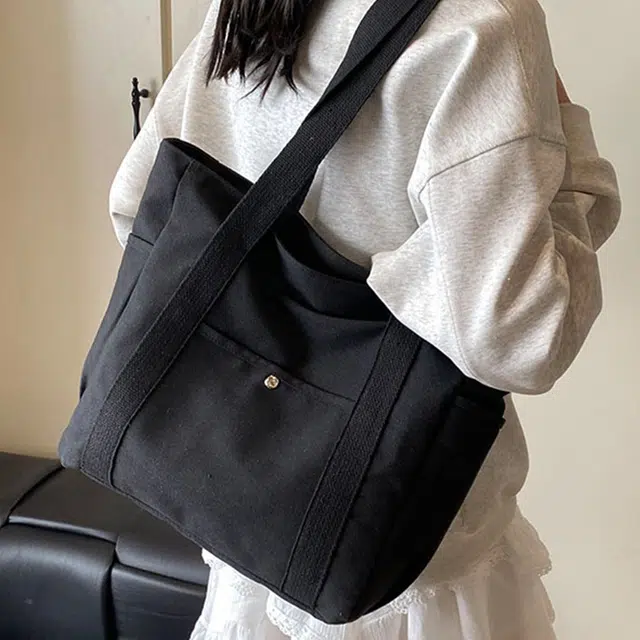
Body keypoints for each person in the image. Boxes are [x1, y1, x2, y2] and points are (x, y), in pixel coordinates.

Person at [109, 0, 622, 638]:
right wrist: (570, 149)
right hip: (400, 551)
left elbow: (138, 208)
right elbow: (520, 338)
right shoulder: (485, 21)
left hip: (248, 517)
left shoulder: (245, 5)